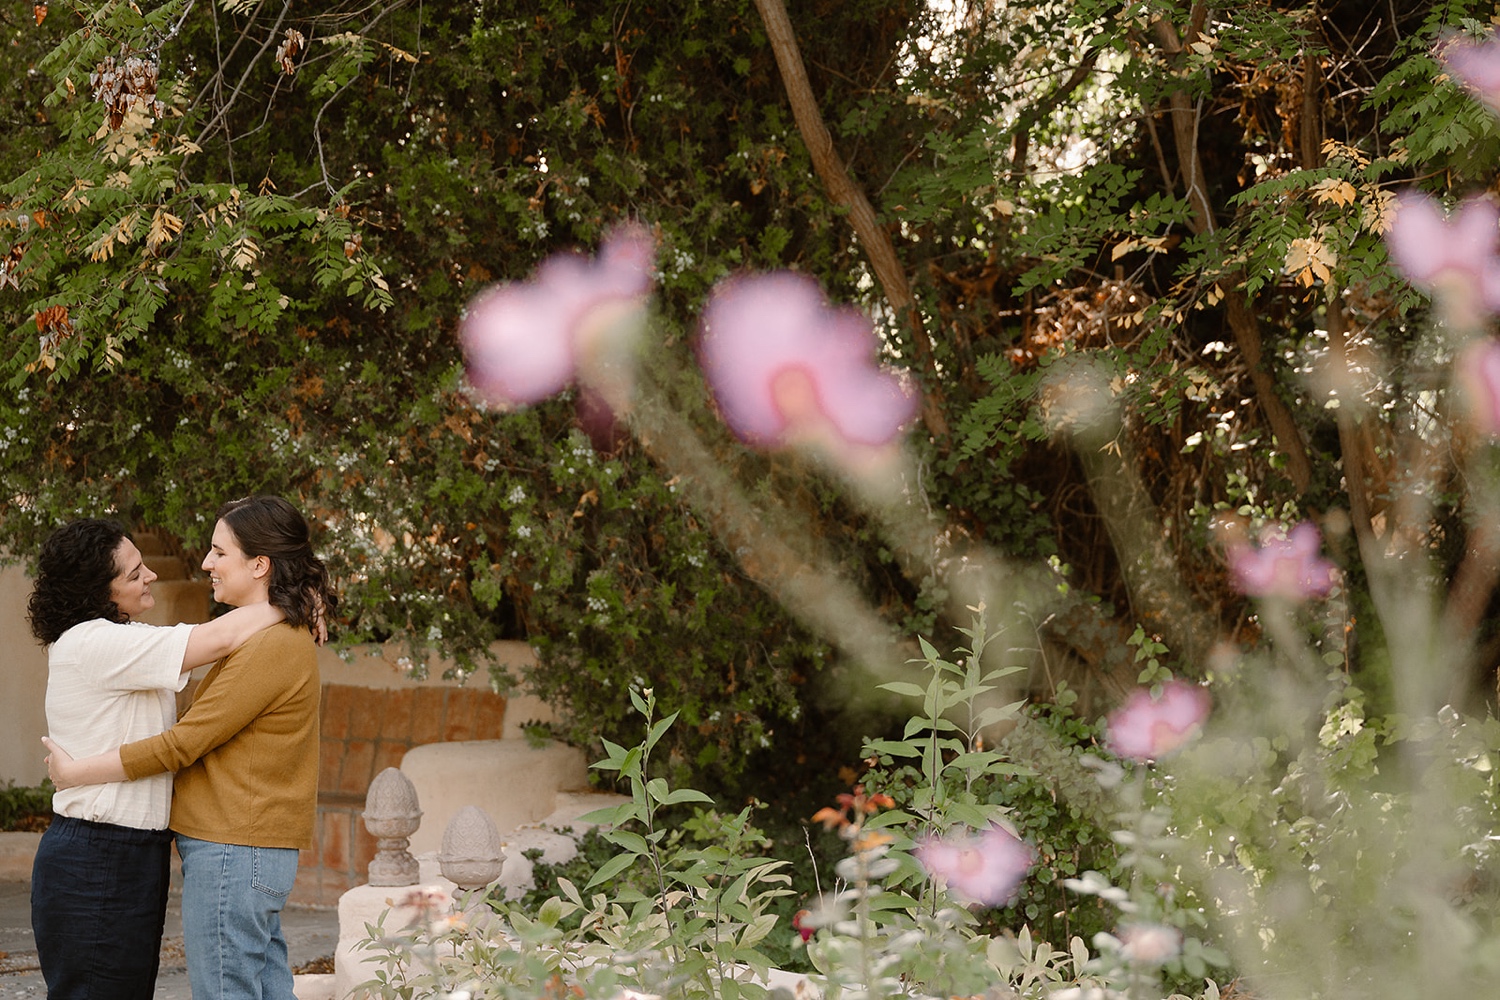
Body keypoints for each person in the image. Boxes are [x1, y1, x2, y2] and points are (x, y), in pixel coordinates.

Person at [46, 496, 337, 1000]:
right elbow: (212, 641)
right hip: (162, 845)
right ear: (102, 588)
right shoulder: (103, 641)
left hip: (230, 846)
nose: (204, 564)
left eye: (218, 552)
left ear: (259, 564)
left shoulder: (269, 643)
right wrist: (299, 598)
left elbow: (183, 742)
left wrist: (79, 772)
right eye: (135, 572)